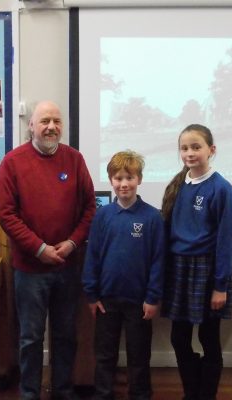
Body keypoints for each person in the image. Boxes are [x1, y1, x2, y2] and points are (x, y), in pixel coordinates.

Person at [0, 100, 96, 400]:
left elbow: (90, 207)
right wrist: (39, 249)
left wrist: (72, 243)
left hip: (67, 266)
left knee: (66, 337)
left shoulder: (75, 159)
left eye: (56, 120)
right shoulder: (12, 163)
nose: (51, 126)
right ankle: (30, 394)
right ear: (31, 126)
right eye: (44, 121)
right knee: (30, 338)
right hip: (30, 270)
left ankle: (63, 392)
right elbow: (7, 215)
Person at [160, 124, 232, 400]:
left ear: (211, 150)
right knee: (179, 338)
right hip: (180, 270)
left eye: (196, 147)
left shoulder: (222, 189)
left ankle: (206, 396)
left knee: (209, 338)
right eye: (184, 148)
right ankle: (192, 393)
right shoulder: (178, 186)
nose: (190, 153)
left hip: (207, 273)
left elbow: (227, 241)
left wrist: (221, 285)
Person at [82, 150, 165, 400]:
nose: (123, 184)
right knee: (105, 354)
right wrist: (91, 293)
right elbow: (92, 256)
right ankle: (103, 395)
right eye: (118, 178)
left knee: (139, 355)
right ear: (110, 181)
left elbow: (159, 260)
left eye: (129, 177)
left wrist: (152, 297)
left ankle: (140, 395)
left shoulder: (152, 217)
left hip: (139, 301)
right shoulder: (102, 216)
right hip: (106, 300)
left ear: (139, 179)